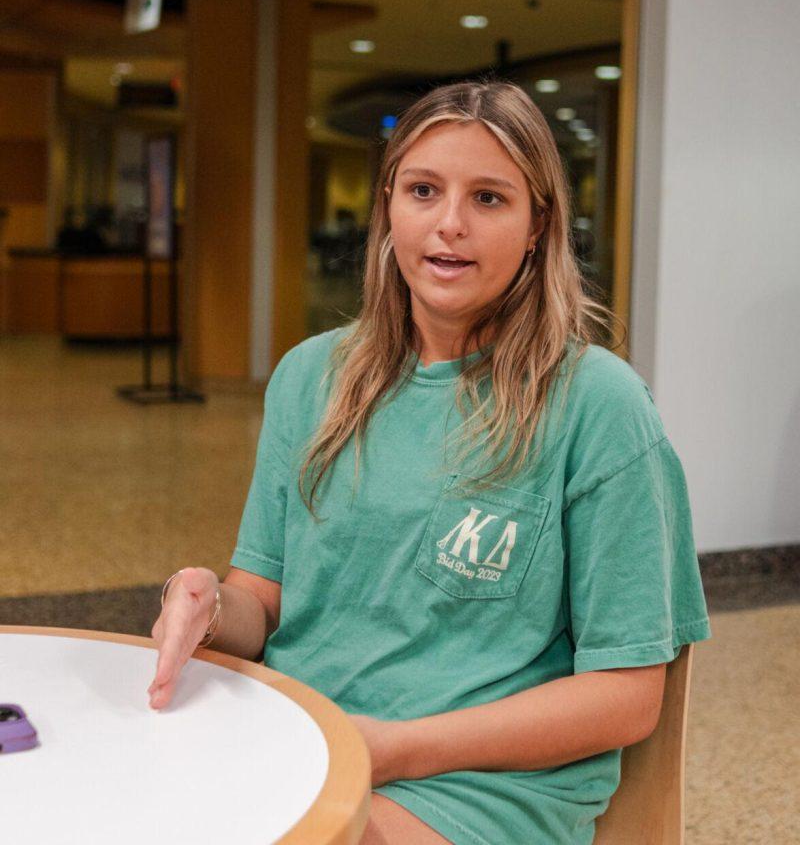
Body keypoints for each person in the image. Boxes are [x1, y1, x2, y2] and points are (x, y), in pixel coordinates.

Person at [148, 80, 711, 845]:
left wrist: (391, 748)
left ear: (538, 224)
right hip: (302, 736)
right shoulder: (311, 377)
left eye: (488, 199)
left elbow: (627, 697)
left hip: (481, 786)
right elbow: (264, 600)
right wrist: (210, 604)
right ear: (388, 207)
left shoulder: (599, 407)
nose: (450, 226)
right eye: (423, 190)